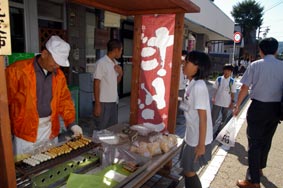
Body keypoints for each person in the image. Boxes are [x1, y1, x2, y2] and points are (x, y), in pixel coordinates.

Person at [5, 35, 83, 155]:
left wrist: (72, 123)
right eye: (55, 61)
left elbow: (64, 101)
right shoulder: (17, 71)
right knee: (26, 167)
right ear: (44, 53)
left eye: (60, 63)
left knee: (48, 164)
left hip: (49, 129)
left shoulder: (59, 75)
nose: (57, 66)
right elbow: (4, 102)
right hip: (24, 131)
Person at [233, 37, 283, 188]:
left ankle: (253, 181)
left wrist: (237, 106)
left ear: (260, 51)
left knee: (254, 144)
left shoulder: (255, 65)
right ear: (276, 51)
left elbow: (244, 88)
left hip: (258, 108)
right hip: (276, 109)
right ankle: (259, 169)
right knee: (266, 141)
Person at [179, 51, 213, 188]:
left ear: (197, 67)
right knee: (187, 170)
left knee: (189, 171)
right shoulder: (191, 82)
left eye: (187, 62)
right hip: (192, 134)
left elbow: (203, 119)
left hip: (198, 139)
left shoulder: (199, 86)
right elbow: (189, 105)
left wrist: (201, 145)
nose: (184, 64)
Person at [93, 39, 123, 130]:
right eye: (121, 50)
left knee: (112, 129)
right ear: (116, 50)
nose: (121, 53)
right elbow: (96, 84)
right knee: (101, 129)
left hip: (113, 101)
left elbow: (115, 83)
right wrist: (97, 104)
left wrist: (121, 73)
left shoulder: (116, 64)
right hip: (103, 102)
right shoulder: (101, 63)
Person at [211, 64, 236, 137]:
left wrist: (232, 102)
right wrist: (213, 97)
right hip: (217, 101)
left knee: (224, 118)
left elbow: (233, 92)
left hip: (226, 103)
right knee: (213, 117)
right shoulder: (219, 79)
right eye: (225, 70)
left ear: (231, 72)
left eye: (228, 70)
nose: (226, 72)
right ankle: (209, 132)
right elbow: (215, 89)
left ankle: (219, 131)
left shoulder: (232, 81)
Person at [177, 50, 188, 119]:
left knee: (179, 104)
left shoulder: (185, 67)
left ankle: (177, 118)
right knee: (175, 105)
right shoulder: (177, 66)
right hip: (176, 89)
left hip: (182, 88)